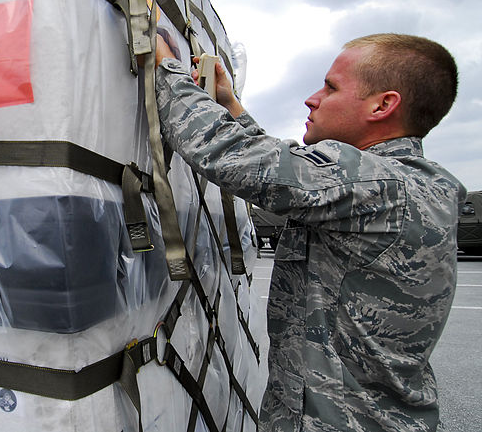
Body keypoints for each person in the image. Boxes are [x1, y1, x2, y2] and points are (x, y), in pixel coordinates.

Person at [152, 33, 466, 432]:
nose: (312, 98)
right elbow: (290, 172)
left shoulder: (375, 184)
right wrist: (231, 107)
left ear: (383, 105)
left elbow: (232, 157)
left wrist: (165, 65)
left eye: (330, 87)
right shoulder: (421, 185)